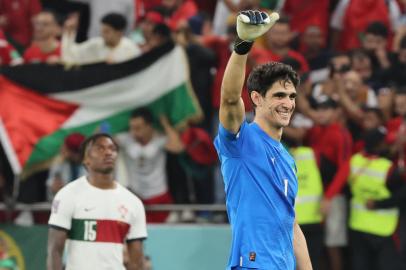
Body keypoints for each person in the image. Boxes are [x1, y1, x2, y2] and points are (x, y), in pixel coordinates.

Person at [214, 10, 312, 269]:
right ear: (257, 98)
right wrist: (243, 46)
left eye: (291, 96)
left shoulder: (287, 159)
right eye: (279, 95)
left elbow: (292, 225)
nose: (288, 103)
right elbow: (230, 99)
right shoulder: (240, 142)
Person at [47, 133, 147, 270]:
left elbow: (137, 262)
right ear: (86, 159)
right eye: (100, 148)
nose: (108, 152)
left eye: (112, 149)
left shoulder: (133, 202)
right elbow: (55, 251)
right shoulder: (67, 195)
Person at [62, 12, 141, 65]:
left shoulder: (132, 49)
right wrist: (69, 33)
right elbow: (71, 54)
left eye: (107, 31)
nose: (103, 35)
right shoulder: (95, 44)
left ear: (119, 33)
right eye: (102, 31)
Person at [46, 133, 86, 200]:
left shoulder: (92, 167)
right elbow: (51, 195)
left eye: (65, 147)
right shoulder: (58, 164)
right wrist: (54, 190)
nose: (62, 148)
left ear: (75, 153)